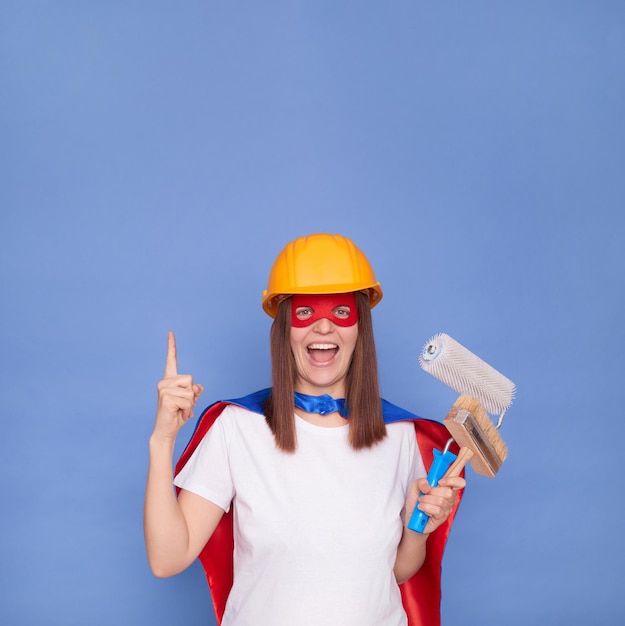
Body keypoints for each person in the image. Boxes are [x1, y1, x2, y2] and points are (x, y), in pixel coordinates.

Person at [144, 233, 465, 626]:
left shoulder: (399, 436)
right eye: (306, 313)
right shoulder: (237, 428)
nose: (324, 328)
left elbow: (391, 573)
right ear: (285, 329)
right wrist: (162, 441)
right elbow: (167, 558)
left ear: (360, 329)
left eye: (342, 313)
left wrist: (418, 532)